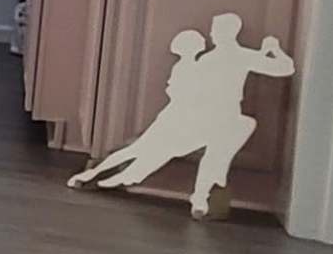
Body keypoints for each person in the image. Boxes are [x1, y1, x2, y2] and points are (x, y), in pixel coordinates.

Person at [70, 12, 296, 217]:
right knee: (151, 150)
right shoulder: (221, 59)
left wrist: (270, 51)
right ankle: (110, 176)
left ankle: (199, 195)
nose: (211, 35)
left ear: (227, 32)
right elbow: (282, 67)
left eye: (215, 31)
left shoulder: (222, 58)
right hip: (201, 118)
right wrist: (272, 50)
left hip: (212, 118)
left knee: (172, 150)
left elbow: (285, 69)